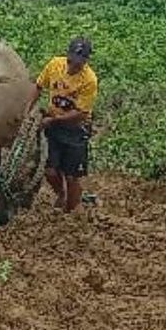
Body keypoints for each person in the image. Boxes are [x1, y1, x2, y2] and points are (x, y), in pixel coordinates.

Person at [30, 37, 97, 213]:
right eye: (72, 60)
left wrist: (54, 120)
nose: (75, 65)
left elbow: (81, 113)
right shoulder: (54, 65)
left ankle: (71, 211)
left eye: (80, 62)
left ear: (86, 61)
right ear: (68, 55)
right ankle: (61, 193)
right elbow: (38, 86)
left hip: (76, 130)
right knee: (49, 171)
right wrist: (27, 109)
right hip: (54, 126)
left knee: (72, 176)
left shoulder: (89, 80)